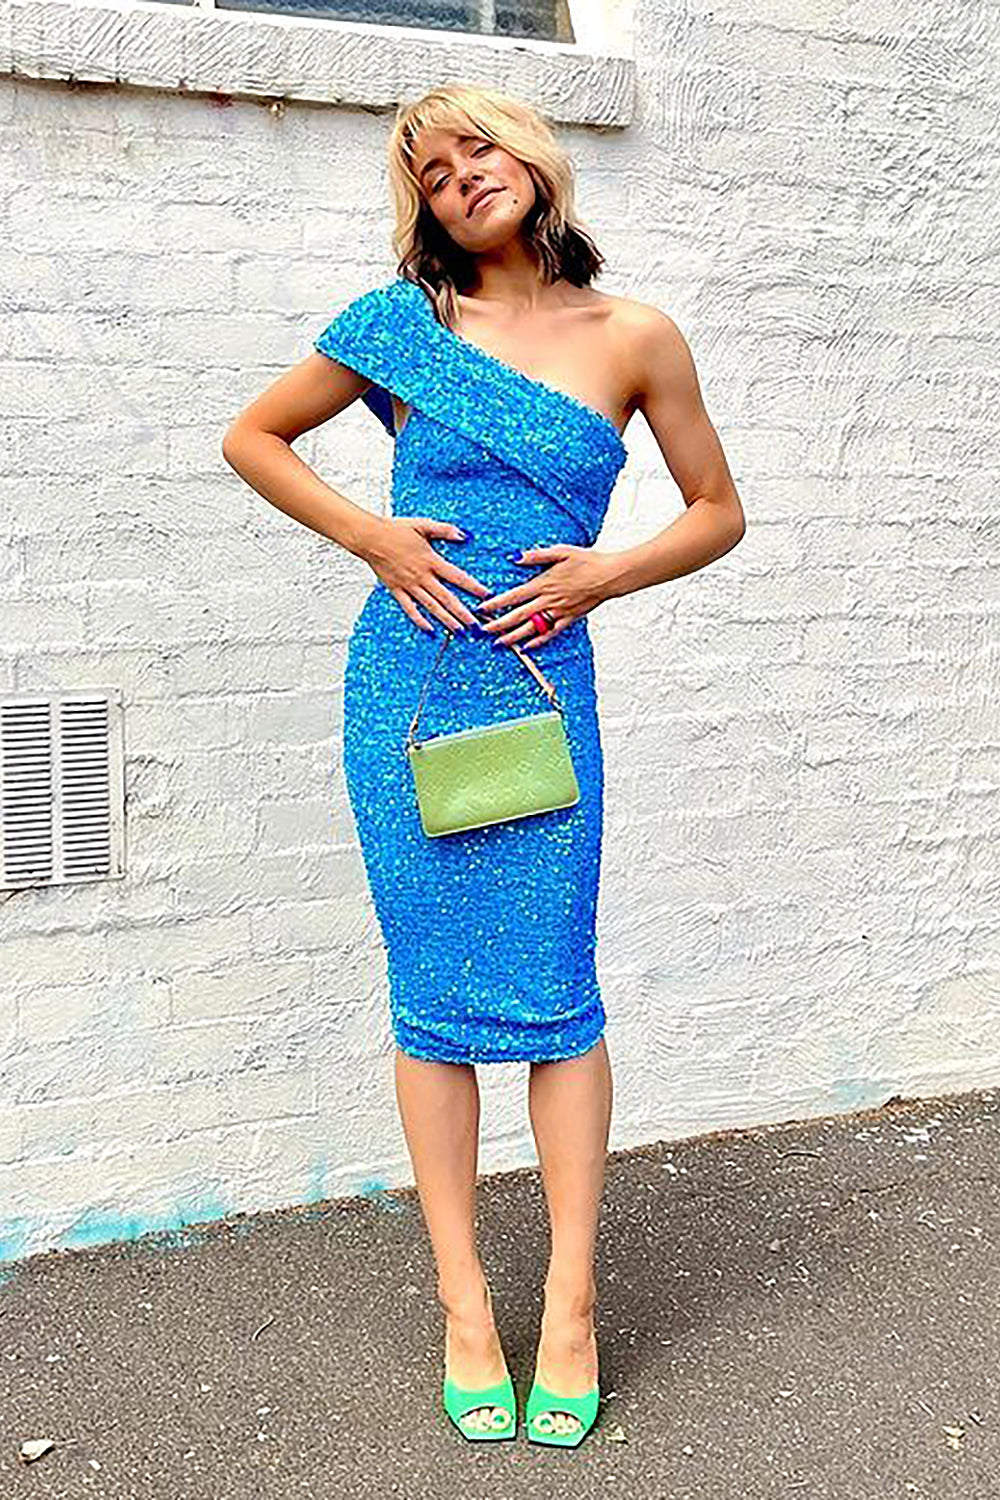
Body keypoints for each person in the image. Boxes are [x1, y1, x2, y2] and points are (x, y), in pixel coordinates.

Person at [222, 81, 745, 1449]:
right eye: (432, 170)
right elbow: (253, 436)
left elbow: (717, 511)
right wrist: (373, 536)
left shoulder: (635, 336)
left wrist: (604, 575)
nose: (461, 174)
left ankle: (570, 1299)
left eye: (478, 146)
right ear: (425, 210)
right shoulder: (402, 328)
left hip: (541, 684)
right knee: (432, 998)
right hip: (408, 691)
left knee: (557, 990)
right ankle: (464, 1302)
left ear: (533, 156)